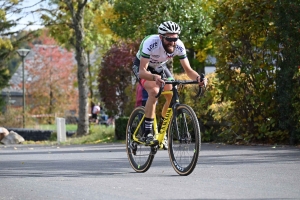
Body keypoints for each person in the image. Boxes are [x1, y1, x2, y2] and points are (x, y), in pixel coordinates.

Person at [133, 21, 207, 146]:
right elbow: (142, 71)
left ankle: (163, 128)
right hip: (143, 69)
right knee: (155, 91)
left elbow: (188, 70)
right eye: (169, 39)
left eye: (175, 38)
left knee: (172, 93)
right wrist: (154, 77)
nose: (173, 42)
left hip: (160, 67)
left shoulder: (179, 45)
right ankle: (147, 132)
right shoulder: (150, 43)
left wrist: (199, 78)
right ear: (161, 37)